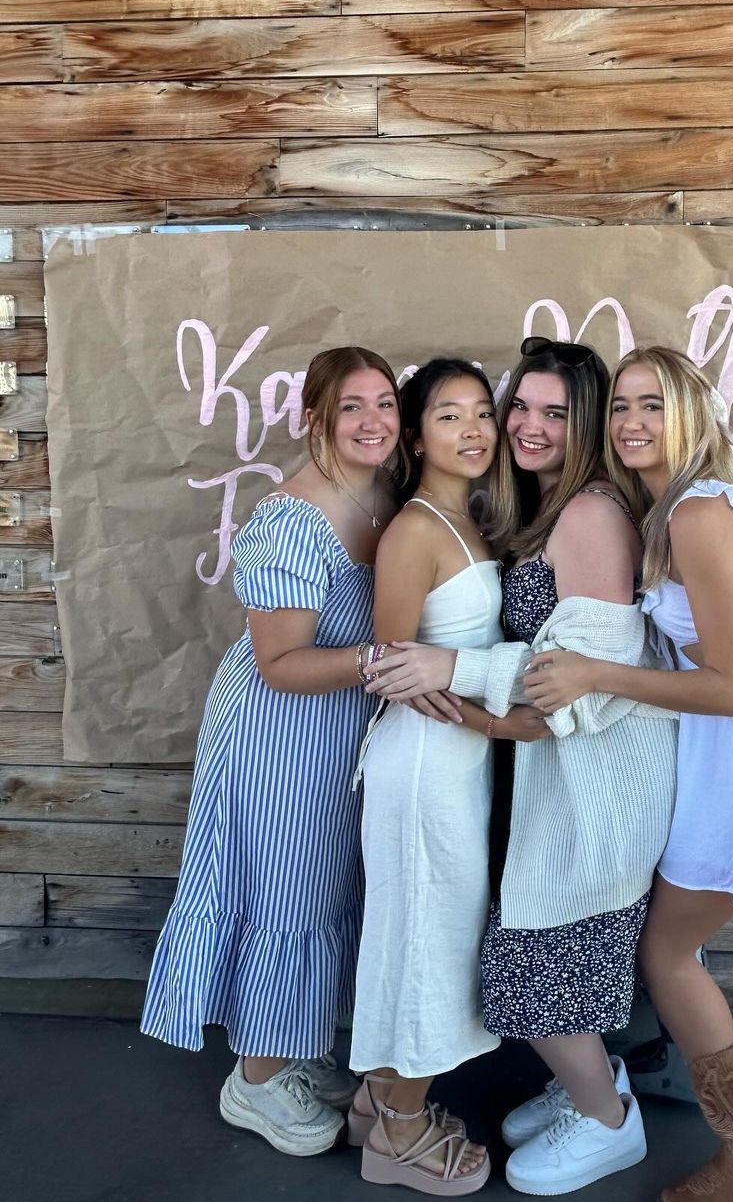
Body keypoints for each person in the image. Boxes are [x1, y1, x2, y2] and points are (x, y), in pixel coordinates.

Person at [522, 345, 733, 1202]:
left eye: (654, 405)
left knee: (668, 953)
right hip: (729, 747)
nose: (633, 422)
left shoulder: (699, 513)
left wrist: (593, 674)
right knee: (675, 947)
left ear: (692, 415)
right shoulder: (683, 501)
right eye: (622, 406)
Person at [366, 337, 677, 1196]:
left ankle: (608, 1123)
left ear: (589, 424)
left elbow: (573, 693)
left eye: (557, 413)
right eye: (522, 407)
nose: (528, 426)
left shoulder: (590, 515)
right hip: (560, 773)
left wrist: (453, 675)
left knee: (535, 958)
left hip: (598, 776)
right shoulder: (541, 508)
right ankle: (587, 1089)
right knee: (541, 952)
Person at [141, 345, 408, 1157]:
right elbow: (280, 663)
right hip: (280, 730)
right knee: (287, 893)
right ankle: (254, 1081)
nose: (374, 421)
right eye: (352, 406)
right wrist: (391, 663)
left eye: (385, 403)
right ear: (315, 419)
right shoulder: (291, 519)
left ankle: (291, 1046)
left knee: (329, 886)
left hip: (344, 724)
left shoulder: (386, 494)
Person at [348, 356, 547, 1197]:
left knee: (427, 937)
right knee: (428, 946)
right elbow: (396, 671)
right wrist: (501, 720)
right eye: (448, 416)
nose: (473, 430)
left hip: (456, 768)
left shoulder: (473, 516)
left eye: (481, 413)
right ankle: (397, 1133)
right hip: (423, 768)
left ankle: (377, 1103)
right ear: (417, 436)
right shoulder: (415, 530)